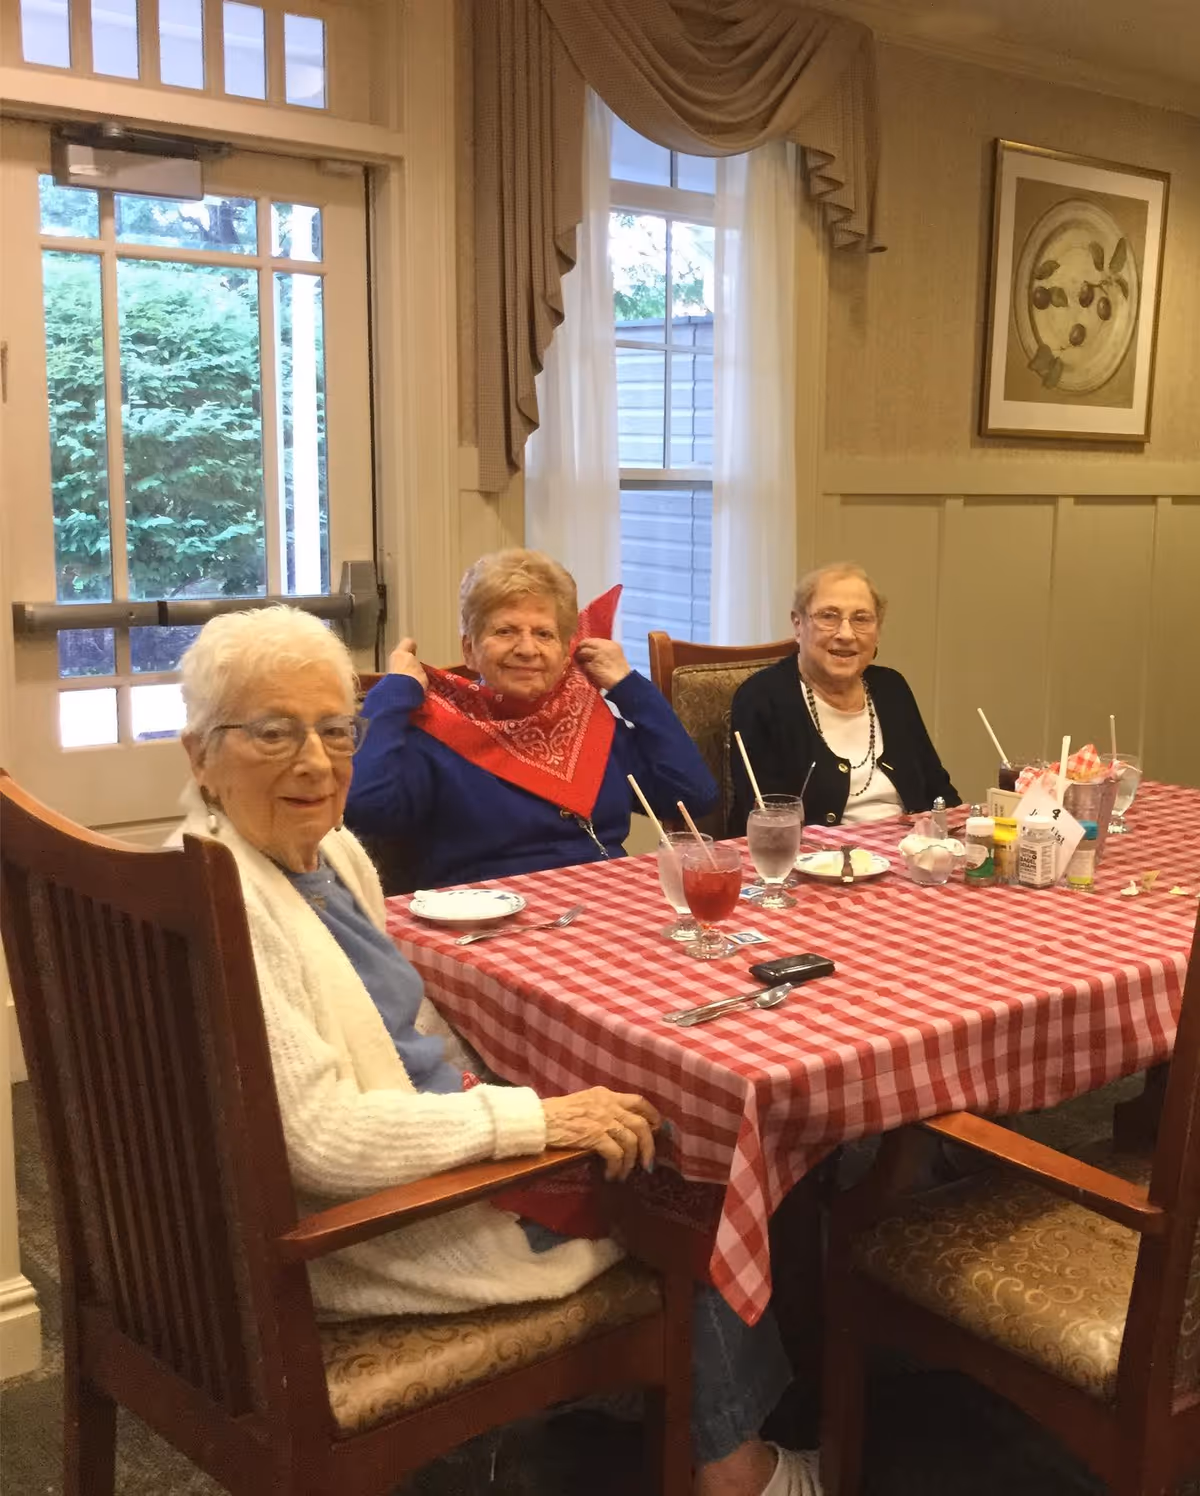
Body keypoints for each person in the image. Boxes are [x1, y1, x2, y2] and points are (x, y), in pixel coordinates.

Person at [176, 605, 821, 1496]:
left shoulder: (317, 861)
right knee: (699, 1178)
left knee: (643, 1111)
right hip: (384, 1226)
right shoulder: (233, 906)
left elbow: (409, 1031)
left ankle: (653, 1392)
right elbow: (320, 1141)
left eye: (335, 730)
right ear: (198, 755)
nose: (317, 763)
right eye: (274, 734)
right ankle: (734, 1468)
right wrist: (532, 1115)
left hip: (423, 1138)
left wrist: (517, 1092)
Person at [343, 549, 718, 890]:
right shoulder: (435, 734)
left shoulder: (589, 721)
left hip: (607, 910)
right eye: (505, 631)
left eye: (544, 634)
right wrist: (394, 691)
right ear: (470, 650)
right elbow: (363, 809)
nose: (527, 649)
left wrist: (630, 687)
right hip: (489, 923)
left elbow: (692, 796)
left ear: (565, 649)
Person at [730, 563, 958, 835]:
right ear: (798, 624)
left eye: (861, 619)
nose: (846, 634)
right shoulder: (762, 698)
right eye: (828, 616)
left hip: (909, 858)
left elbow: (940, 794)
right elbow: (767, 819)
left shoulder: (891, 688)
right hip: (817, 863)